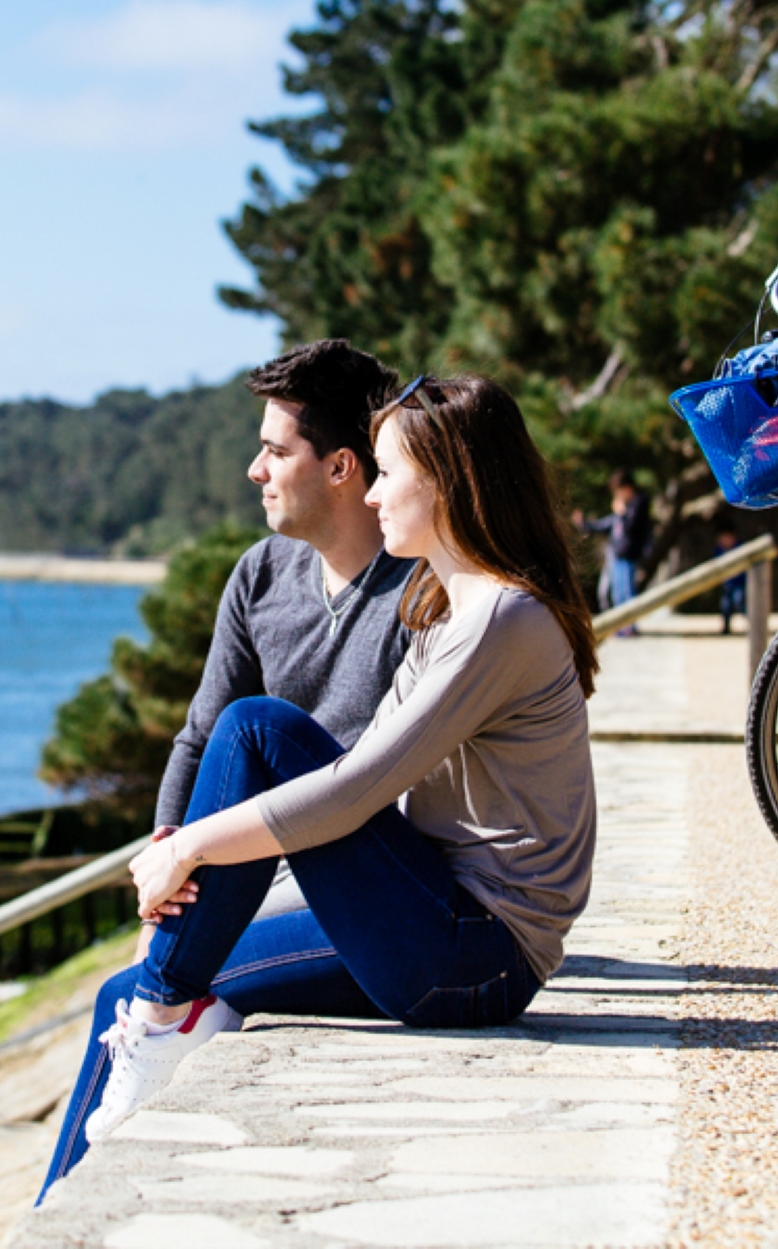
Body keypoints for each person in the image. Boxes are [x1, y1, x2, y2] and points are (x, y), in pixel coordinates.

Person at [37, 374, 599, 1199]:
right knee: (127, 992)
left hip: (478, 951)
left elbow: (355, 788)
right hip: (438, 925)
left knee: (257, 728)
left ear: (444, 482)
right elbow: (361, 787)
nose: (372, 495)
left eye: (388, 472)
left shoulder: (498, 620)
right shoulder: (450, 605)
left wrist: (189, 845)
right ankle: (61, 1203)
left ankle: (165, 1011)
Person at [152, 341, 417, 931]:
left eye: (275, 451)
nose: (255, 470)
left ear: (340, 466)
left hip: (378, 882)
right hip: (260, 871)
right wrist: (160, 882)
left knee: (256, 724)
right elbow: (198, 740)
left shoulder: (424, 587)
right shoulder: (260, 573)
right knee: (131, 990)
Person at [579, 471, 649, 634]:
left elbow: (632, 527)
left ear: (628, 488)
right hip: (616, 555)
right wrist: (585, 524)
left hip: (629, 555)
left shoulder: (639, 503)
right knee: (616, 593)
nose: (617, 495)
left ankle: (630, 627)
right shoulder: (625, 506)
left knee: (627, 592)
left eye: (618, 490)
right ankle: (620, 625)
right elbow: (607, 524)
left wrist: (621, 513)